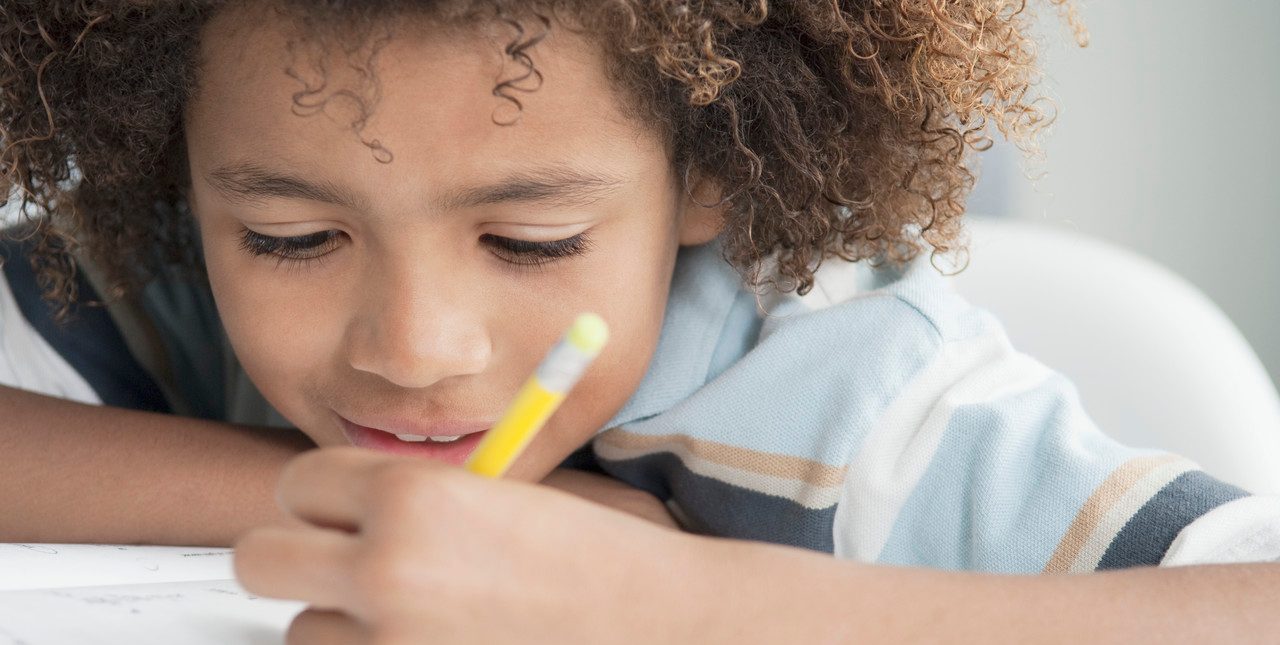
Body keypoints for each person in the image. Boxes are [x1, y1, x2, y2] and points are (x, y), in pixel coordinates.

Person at [2, 1, 1278, 642]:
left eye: (531, 242)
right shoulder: (152, 263)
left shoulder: (848, 400)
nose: (410, 347)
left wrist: (671, 595)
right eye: (291, 239)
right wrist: (344, 507)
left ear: (706, 178)